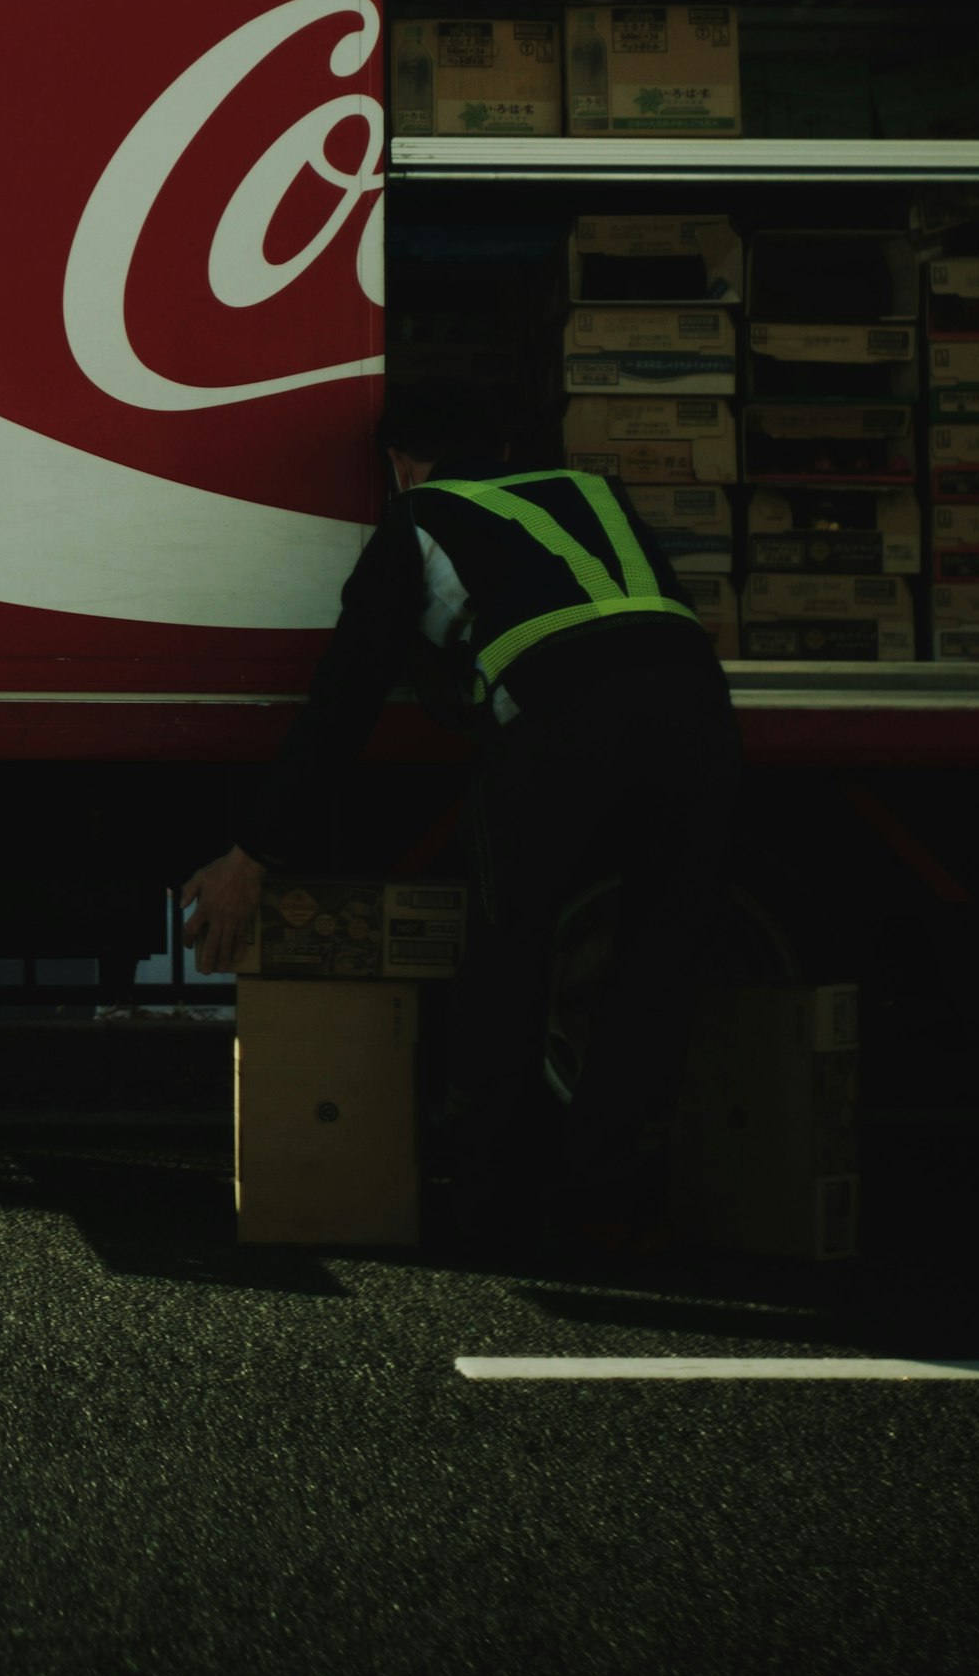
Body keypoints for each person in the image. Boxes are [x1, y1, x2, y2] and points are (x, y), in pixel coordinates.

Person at [179, 377, 743, 1246]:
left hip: (560, 730)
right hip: (700, 720)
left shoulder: (418, 520)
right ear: (510, 451)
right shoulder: (593, 489)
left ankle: (494, 1208)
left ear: (402, 464)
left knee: (508, 957)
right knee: (654, 961)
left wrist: (256, 849)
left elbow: (346, 700)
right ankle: (608, 1205)